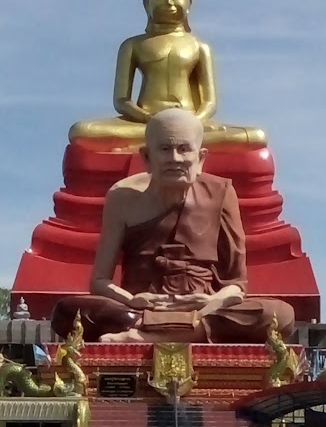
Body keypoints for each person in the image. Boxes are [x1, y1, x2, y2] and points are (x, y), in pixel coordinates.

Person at [52, 109, 294, 343]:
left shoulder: (221, 193)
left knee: (279, 315)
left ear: (201, 158)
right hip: (141, 307)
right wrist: (132, 299)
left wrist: (211, 302)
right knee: (67, 312)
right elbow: (100, 282)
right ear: (146, 157)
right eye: (165, 149)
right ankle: (183, 331)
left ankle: (149, 335)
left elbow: (237, 285)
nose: (175, 159)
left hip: (203, 310)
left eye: (184, 149)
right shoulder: (122, 196)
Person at [68, 0, 266, 152]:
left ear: (189, 3)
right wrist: (151, 119)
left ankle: (151, 145)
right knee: (82, 131)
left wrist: (193, 123)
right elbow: (122, 100)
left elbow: (210, 102)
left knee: (255, 137)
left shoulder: (199, 46)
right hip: (143, 122)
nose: (169, 2)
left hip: (193, 120)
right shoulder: (133, 45)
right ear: (146, 4)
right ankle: (160, 141)